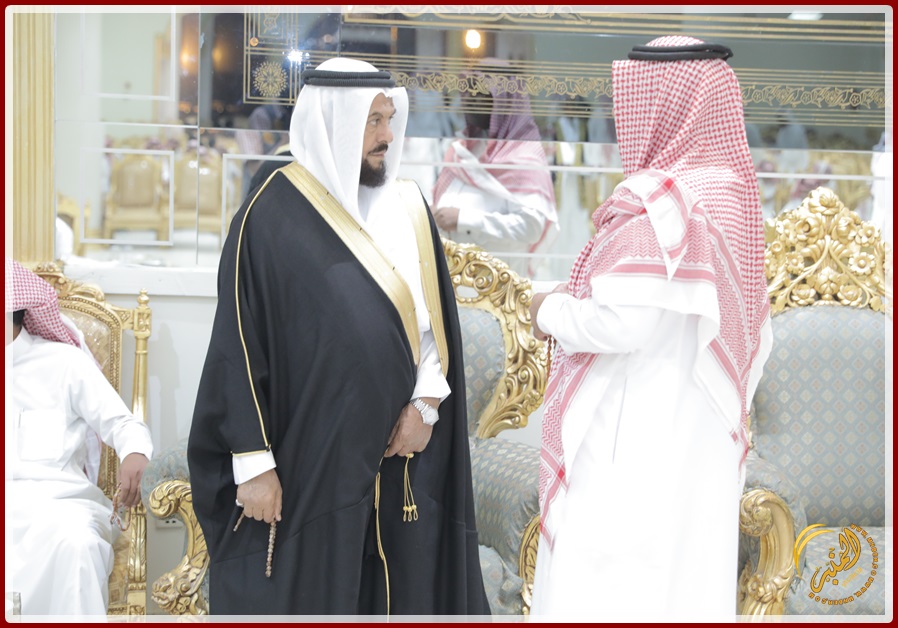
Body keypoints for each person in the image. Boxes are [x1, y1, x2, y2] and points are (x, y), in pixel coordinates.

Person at [187, 57, 489, 616]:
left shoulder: (408, 207)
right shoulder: (271, 213)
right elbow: (238, 343)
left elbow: (433, 327)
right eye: (372, 121)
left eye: (389, 119)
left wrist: (426, 406)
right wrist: (253, 463)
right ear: (335, 123)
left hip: (401, 458)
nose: (386, 135)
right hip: (308, 463)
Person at [528, 37, 773, 621]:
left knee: (613, 592)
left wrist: (548, 311)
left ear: (664, 103)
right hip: (700, 438)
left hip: (633, 442)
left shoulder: (662, 202)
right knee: (684, 583)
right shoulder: (730, 193)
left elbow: (620, 324)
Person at [5, 258, 153, 615]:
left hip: (58, 507)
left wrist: (134, 453)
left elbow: (124, 424)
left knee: (77, 544)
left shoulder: (62, 363)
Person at [431, 58, 558, 278]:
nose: (469, 99)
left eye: (479, 93)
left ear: (503, 102)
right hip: (452, 280)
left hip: (498, 285)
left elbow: (531, 227)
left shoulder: (524, 157)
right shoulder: (462, 150)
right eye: (468, 91)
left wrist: (464, 219)